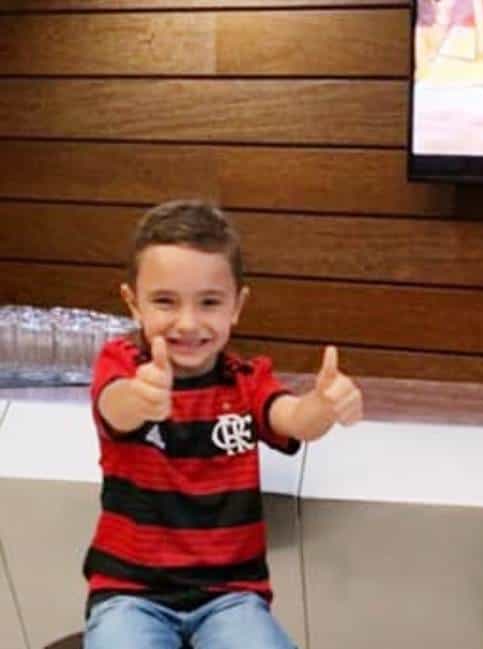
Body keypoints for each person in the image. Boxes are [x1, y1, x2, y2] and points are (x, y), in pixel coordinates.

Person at [82, 200, 363, 649]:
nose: (188, 323)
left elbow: (293, 418)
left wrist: (324, 405)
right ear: (133, 303)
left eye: (209, 302)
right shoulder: (122, 364)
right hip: (131, 594)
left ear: (237, 306)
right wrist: (141, 397)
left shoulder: (247, 380)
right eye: (165, 301)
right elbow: (114, 406)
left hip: (230, 597)